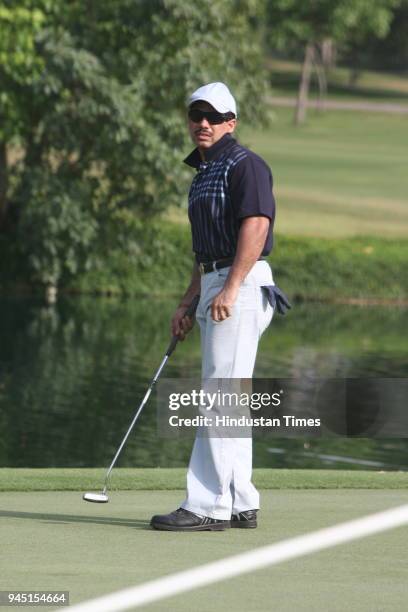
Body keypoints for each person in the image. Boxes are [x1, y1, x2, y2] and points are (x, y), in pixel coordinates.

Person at [150, 82, 289, 531]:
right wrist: (188, 301)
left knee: (218, 396)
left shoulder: (245, 164)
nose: (202, 123)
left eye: (212, 116)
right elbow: (204, 249)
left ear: (232, 121)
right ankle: (240, 501)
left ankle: (208, 505)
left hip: (240, 285)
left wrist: (230, 288)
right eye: (196, 115)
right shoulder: (204, 172)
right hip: (217, 280)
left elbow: (256, 225)